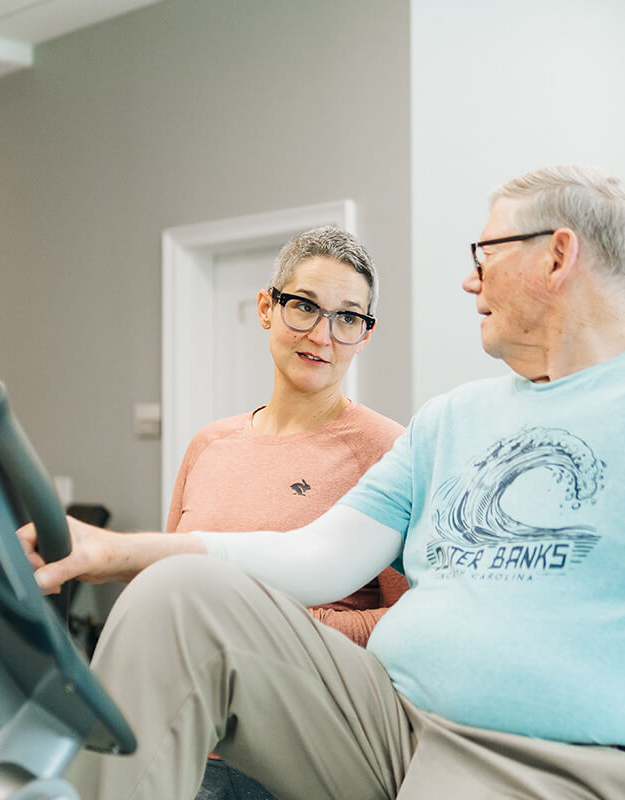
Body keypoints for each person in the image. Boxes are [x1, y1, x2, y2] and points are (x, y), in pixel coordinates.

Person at [21, 164, 625, 800]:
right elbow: (316, 558)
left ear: (556, 255)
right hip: (394, 731)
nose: (470, 283)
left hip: (570, 766)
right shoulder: (452, 418)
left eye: (484, 256)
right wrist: (114, 550)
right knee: (181, 599)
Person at [165, 225, 408, 800]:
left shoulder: (387, 451)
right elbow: (169, 582)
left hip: (303, 756)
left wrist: (294, 630)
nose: (323, 335)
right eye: (304, 306)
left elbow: (417, 617)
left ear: (365, 335)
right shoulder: (209, 445)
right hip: (190, 743)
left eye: (348, 318)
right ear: (266, 309)